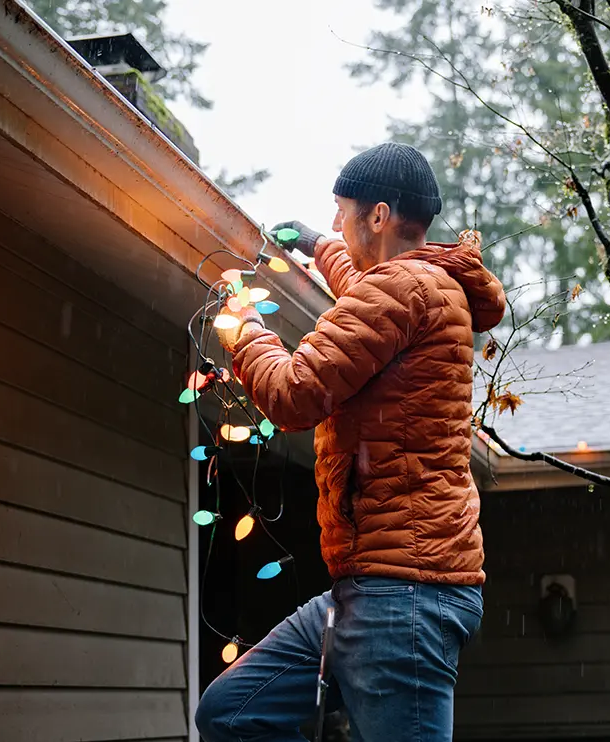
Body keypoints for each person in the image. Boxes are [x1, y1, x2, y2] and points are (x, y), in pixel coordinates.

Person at [200, 142, 506, 741]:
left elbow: (292, 396)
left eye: (343, 211)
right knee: (232, 709)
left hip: (401, 599)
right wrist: (319, 244)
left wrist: (243, 328)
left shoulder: (400, 290)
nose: (338, 220)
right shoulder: (420, 284)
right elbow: (368, 286)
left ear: (378, 216)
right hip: (376, 591)